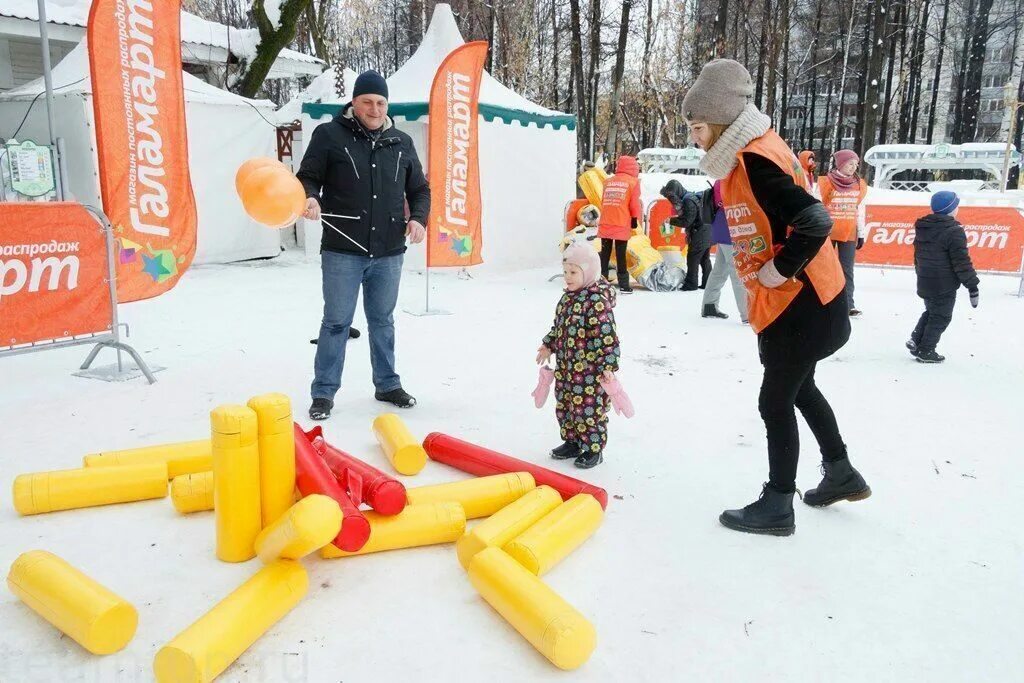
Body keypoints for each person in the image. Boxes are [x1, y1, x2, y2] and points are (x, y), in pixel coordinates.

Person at [682, 59, 870, 536]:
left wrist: (776, 269)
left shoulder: (755, 159)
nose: (694, 138)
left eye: (698, 127)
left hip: (801, 304)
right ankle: (841, 472)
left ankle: (778, 503)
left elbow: (815, 220)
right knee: (799, 388)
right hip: (809, 301)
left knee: (775, 400)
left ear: (721, 120)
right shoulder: (755, 150)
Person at [297, 70, 430, 420]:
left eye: (380, 102)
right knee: (336, 322)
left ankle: (387, 384)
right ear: (354, 103)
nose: (374, 109)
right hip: (343, 249)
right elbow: (307, 176)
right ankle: (324, 392)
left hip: (388, 251)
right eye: (367, 102)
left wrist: (418, 217)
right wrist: (310, 197)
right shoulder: (328, 135)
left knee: (382, 321)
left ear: (387, 105)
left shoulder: (401, 142)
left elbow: (419, 189)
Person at [536, 243, 621, 469]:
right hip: (566, 369)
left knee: (588, 411)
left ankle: (594, 449)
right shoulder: (567, 299)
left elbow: (607, 337)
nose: (567, 277)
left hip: (589, 374)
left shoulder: (596, 301)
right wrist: (548, 344)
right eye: (565, 272)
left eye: (573, 272)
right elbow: (559, 328)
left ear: (589, 271)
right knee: (565, 407)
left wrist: (608, 364)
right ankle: (572, 441)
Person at [906, 191, 980, 364]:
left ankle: (916, 340)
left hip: (925, 279)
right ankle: (927, 350)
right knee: (941, 316)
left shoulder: (923, 227)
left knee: (932, 312)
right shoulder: (954, 231)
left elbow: (917, 255)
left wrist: (920, 273)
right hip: (944, 283)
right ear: (951, 209)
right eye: (956, 206)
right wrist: (972, 285)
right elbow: (961, 262)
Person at [818, 150, 868, 317]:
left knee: (847, 269)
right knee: (825, 268)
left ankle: (848, 305)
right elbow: (817, 206)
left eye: (855, 164)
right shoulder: (825, 182)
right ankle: (823, 303)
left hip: (849, 231)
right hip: (827, 231)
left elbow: (860, 210)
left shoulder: (859, 184)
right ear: (840, 164)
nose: (853, 167)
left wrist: (861, 232)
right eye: (849, 164)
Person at [700, 180, 748, 322]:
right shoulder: (729, 180)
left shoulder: (720, 180)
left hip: (722, 227)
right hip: (730, 228)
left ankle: (709, 305)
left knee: (719, 271)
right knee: (737, 271)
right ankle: (747, 314)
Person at [598, 156, 643, 294]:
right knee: (620, 254)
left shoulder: (608, 181)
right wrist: (635, 218)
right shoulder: (633, 182)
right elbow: (634, 204)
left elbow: (603, 201)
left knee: (604, 254)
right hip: (621, 221)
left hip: (606, 220)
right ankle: (624, 285)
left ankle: (601, 283)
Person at [661, 180, 711, 290]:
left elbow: (687, 221)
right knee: (704, 259)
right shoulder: (689, 197)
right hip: (706, 231)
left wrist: (671, 221)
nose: (672, 199)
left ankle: (691, 284)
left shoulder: (688, 201)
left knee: (693, 258)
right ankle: (707, 283)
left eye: (672, 195)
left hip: (700, 232)